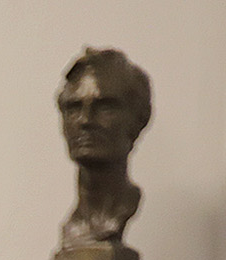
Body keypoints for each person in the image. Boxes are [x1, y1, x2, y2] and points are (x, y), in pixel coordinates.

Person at [55, 46, 153, 248]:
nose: (85, 120)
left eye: (105, 107)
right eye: (73, 108)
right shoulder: (73, 227)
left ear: (139, 119)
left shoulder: (123, 209)